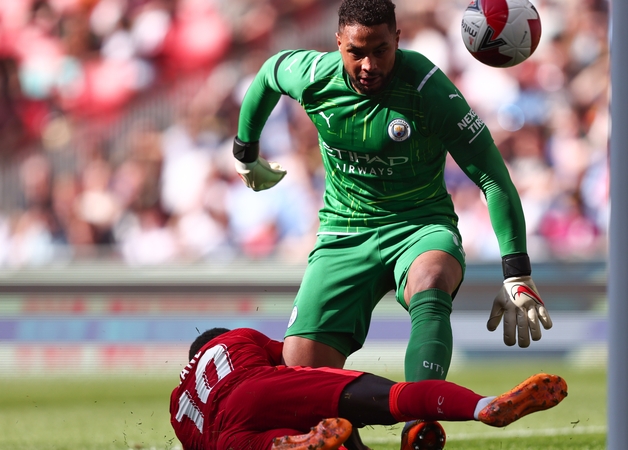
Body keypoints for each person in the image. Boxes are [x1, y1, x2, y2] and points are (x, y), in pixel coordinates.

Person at [232, 0, 553, 448]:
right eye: (357, 52)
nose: (368, 65)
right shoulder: (312, 75)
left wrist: (516, 271)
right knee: (299, 371)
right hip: (344, 232)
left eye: (381, 50)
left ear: (398, 40)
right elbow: (268, 73)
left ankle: (420, 422)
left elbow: (493, 178)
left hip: (419, 226)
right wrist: (245, 151)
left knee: (432, 276)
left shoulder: (428, 89)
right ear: (337, 43)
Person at [170, 327, 568, 450]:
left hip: (224, 440)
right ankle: (484, 406)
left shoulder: (176, 403)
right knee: (391, 397)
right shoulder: (234, 339)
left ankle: (293, 444)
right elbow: (296, 361)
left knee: (296, 441)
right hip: (250, 389)